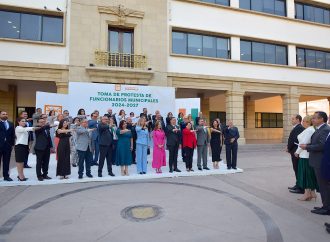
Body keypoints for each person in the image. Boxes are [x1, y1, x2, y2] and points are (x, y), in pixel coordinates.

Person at [300, 111, 330, 215]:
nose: (312, 120)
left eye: (315, 118)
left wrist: (307, 147)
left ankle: (327, 208)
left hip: (320, 161)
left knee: (324, 186)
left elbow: (322, 145)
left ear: (322, 119)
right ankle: (325, 205)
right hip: (316, 160)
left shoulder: (325, 129)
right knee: (322, 185)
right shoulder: (319, 129)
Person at [294, 115, 318, 201]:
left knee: (306, 174)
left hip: (305, 155)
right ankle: (312, 193)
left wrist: (297, 152)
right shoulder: (310, 129)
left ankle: (307, 193)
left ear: (307, 122)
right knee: (308, 174)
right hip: (305, 154)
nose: (302, 122)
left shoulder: (309, 130)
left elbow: (303, 142)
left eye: (303, 121)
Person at [287, 114, 305, 194]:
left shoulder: (299, 128)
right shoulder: (296, 128)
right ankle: (297, 184)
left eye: (293, 119)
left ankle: (300, 187)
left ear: (298, 120)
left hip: (296, 151)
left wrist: (289, 148)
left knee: (297, 169)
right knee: (296, 168)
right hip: (293, 151)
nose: (291, 120)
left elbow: (295, 140)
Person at [0, 111, 15, 181]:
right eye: (3, 114)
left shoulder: (11, 123)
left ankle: (6, 176)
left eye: (6, 114)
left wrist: (12, 144)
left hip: (7, 146)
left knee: (6, 161)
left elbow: (12, 135)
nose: (5, 115)